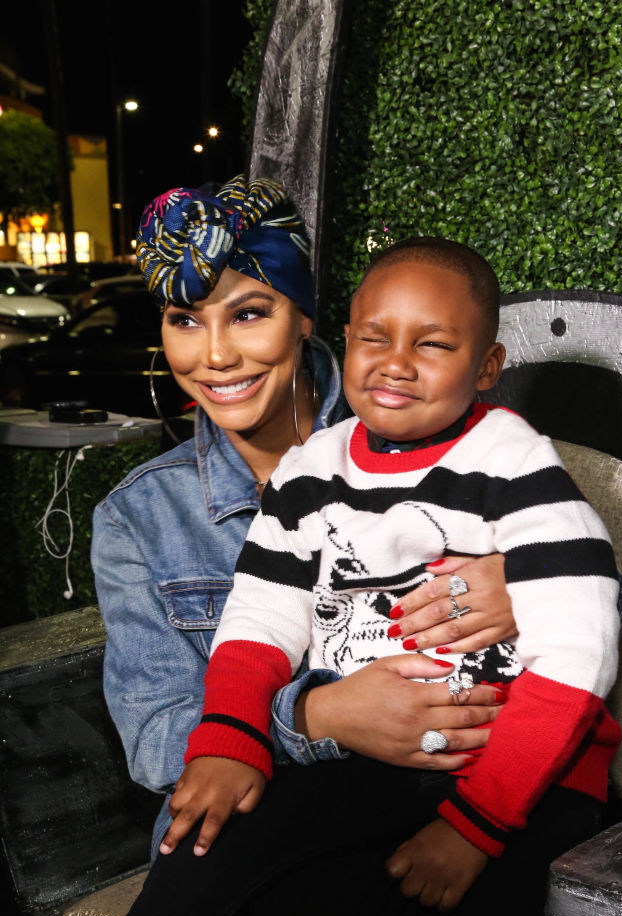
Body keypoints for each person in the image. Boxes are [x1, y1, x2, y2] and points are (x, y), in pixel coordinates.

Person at [74, 232, 621, 916]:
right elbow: (257, 615)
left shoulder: (513, 460)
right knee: (207, 859)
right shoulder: (306, 471)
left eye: (430, 345)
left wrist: (473, 825)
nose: (396, 363)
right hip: (357, 764)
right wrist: (239, 734)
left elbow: (581, 643)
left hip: (510, 769)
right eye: (185, 321)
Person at [91, 178, 512, 857]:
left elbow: (597, 593)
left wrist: (516, 584)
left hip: (444, 799)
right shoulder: (139, 518)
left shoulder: (429, 415)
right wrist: (318, 717)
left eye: (249, 313)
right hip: (245, 825)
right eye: (185, 320)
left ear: (307, 315)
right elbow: (155, 740)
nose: (216, 355)